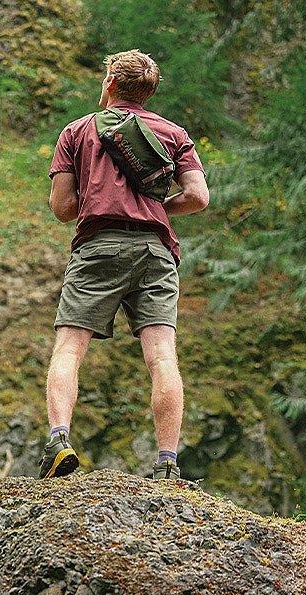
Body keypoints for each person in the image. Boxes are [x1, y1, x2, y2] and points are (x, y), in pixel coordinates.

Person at [38, 49, 210, 480]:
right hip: (156, 251)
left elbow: (62, 207)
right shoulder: (173, 133)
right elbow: (199, 197)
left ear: (110, 84)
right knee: (161, 356)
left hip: (98, 247)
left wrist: (99, 199)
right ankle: (167, 463)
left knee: (70, 347)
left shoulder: (77, 131)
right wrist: (155, 207)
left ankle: (59, 440)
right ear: (148, 92)